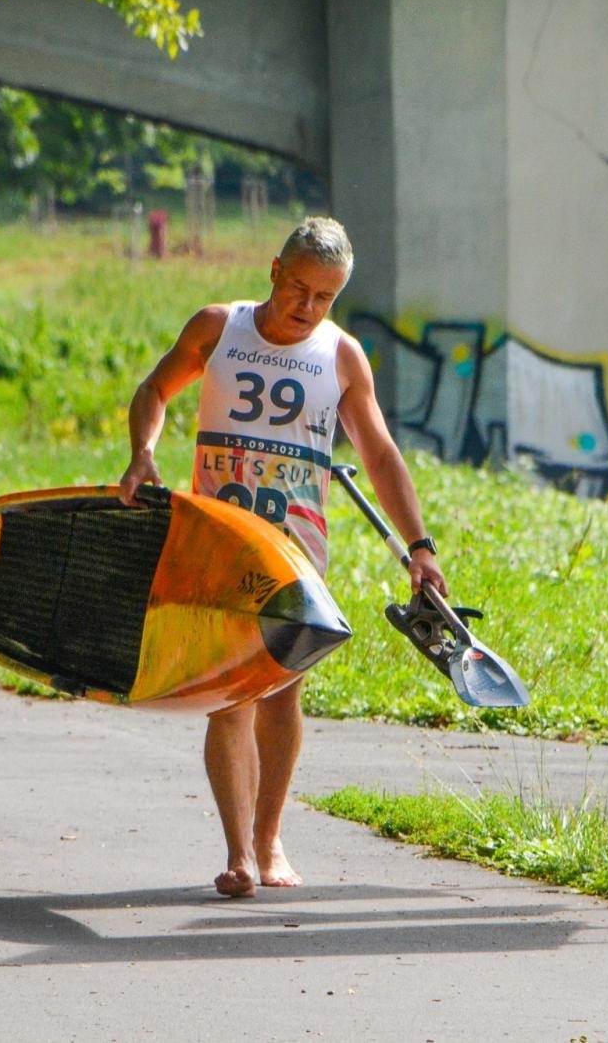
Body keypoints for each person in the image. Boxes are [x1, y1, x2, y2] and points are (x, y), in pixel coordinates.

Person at [118, 216, 446, 898]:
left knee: (280, 692)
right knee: (230, 694)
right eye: (298, 289)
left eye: (325, 297)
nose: (307, 307)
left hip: (297, 551)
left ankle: (269, 840)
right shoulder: (219, 328)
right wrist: (143, 452)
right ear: (274, 271)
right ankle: (239, 854)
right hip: (218, 541)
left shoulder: (341, 356)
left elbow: (380, 453)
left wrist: (419, 546)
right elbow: (153, 391)